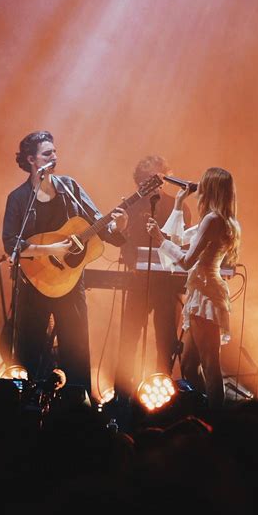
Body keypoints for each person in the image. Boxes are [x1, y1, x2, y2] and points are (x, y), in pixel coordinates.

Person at [2, 130, 128, 400]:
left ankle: (77, 403)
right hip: (33, 284)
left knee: (76, 347)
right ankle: (28, 403)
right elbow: (11, 242)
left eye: (55, 152)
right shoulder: (18, 198)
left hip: (70, 284)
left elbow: (99, 223)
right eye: (48, 154)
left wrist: (119, 224)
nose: (54, 157)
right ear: (31, 160)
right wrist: (51, 248)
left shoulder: (69, 188)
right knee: (30, 348)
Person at [147, 167, 241, 413]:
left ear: (210, 189)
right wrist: (178, 204)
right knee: (189, 365)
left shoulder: (213, 220)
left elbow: (186, 260)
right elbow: (179, 240)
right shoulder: (214, 219)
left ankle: (215, 420)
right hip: (201, 292)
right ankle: (203, 409)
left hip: (207, 295)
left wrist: (160, 240)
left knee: (210, 365)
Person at [116, 155, 191, 402]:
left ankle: (163, 390)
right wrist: (130, 258)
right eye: (149, 178)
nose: (155, 182)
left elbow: (181, 244)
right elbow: (123, 241)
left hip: (167, 284)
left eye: (159, 176)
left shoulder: (178, 206)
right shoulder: (132, 205)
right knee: (129, 335)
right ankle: (121, 392)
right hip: (138, 281)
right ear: (140, 181)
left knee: (166, 338)